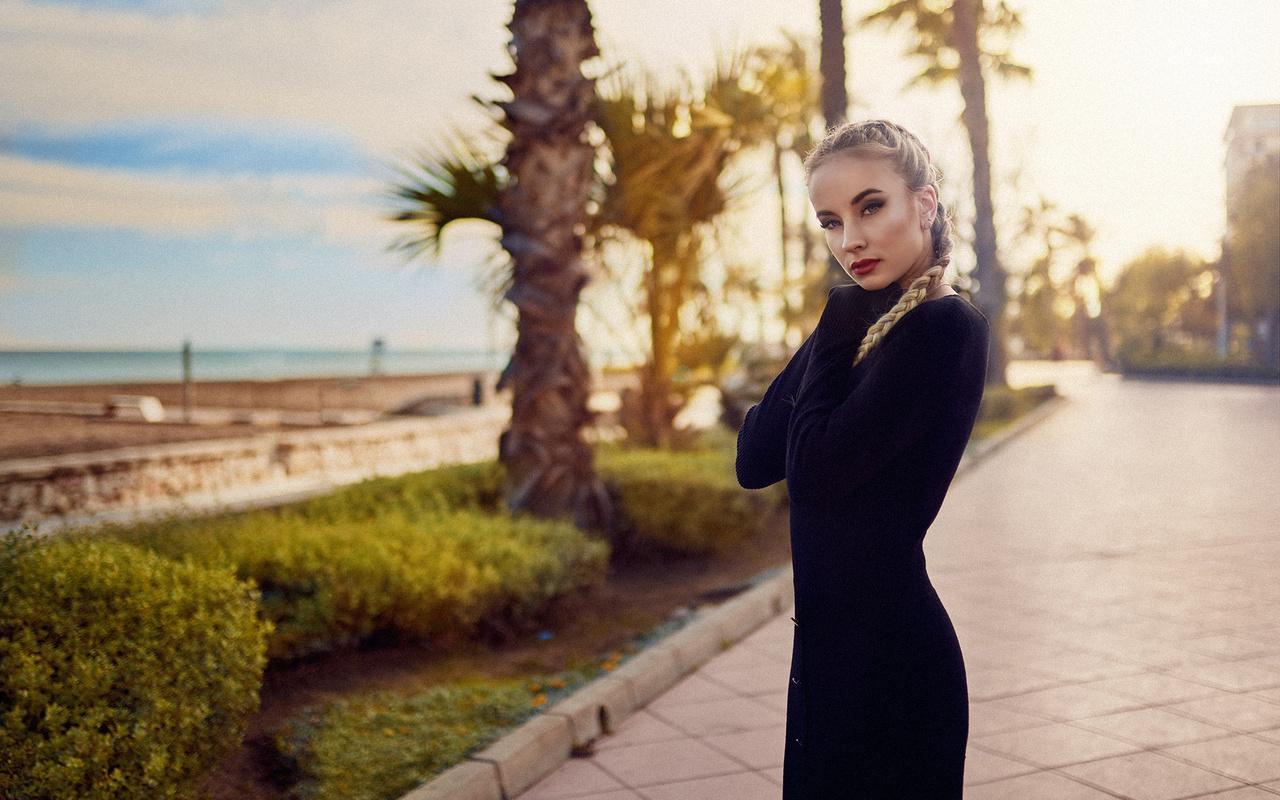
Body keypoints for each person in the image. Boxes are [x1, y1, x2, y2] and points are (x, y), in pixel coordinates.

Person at [736, 119, 988, 798]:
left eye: (870, 206)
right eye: (830, 220)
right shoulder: (858, 325)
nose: (850, 238)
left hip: (894, 672)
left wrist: (840, 320)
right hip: (826, 664)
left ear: (924, 204)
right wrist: (836, 328)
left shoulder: (945, 329)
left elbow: (812, 474)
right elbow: (755, 458)